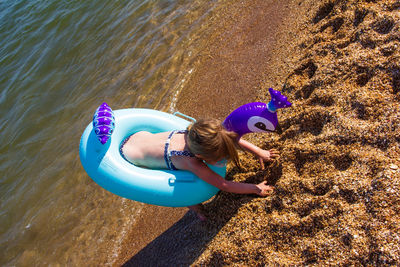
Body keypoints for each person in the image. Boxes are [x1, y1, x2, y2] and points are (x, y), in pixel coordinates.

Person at [120, 118, 279, 220]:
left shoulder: (194, 133)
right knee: (181, 185)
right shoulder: (190, 161)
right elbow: (223, 184)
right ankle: (197, 210)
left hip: (139, 136)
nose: (222, 160)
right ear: (199, 155)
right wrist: (255, 188)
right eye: (218, 158)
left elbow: (231, 140)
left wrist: (259, 152)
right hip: (130, 155)